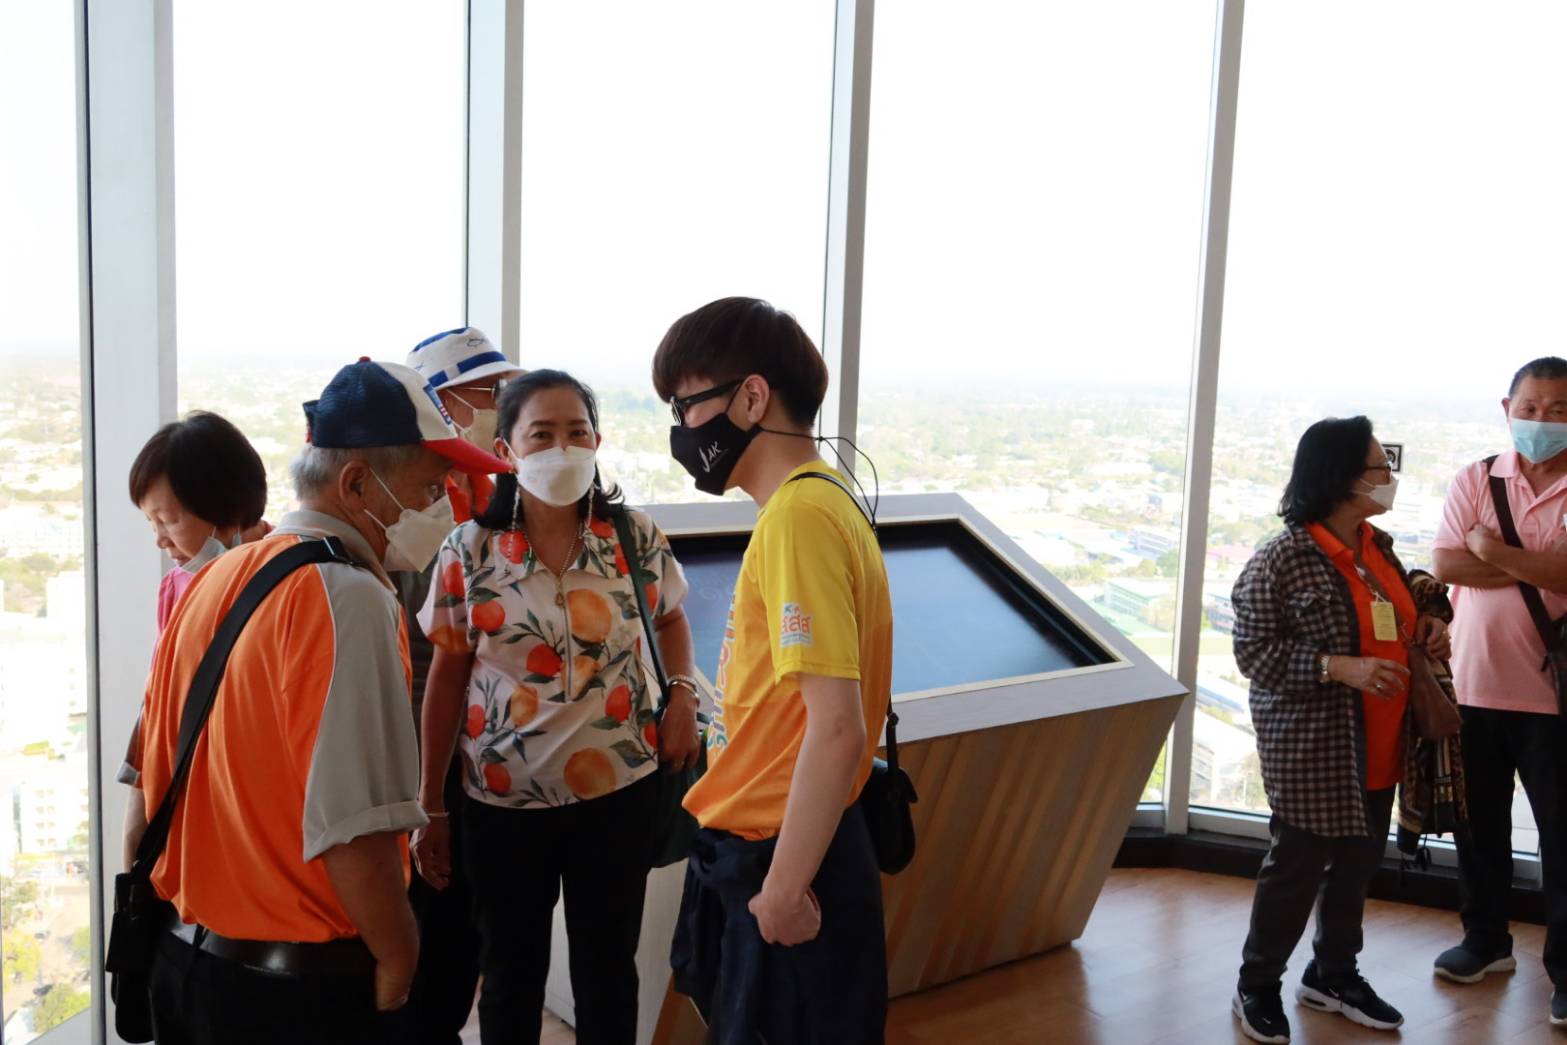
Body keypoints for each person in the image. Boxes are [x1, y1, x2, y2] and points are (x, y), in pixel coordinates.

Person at [127, 358, 509, 1045]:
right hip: (290, 989)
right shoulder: (346, 596)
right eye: (431, 486)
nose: (446, 505)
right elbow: (354, 828)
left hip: (186, 961)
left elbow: (147, 785)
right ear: (356, 483)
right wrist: (400, 954)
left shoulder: (215, 580)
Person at [413, 369, 701, 1045]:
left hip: (619, 791)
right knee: (510, 974)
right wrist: (430, 804)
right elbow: (446, 677)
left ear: (598, 441)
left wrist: (683, 695)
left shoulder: (633, 537)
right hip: (502, 802)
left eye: (577, 431)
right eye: (541, 434)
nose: (561, 447)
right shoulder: (469, 550)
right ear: (506, 450)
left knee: (608, 971)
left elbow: (671, 618)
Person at [653, 296, 893, 1043]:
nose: (682, 428)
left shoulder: (798, 517)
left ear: (752, 398)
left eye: (687, 405)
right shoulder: (822, 501)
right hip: (786, 841)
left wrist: (783, 890)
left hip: (783, 854)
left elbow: (837, 727)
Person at [1229, 416, 1450, 1043]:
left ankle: (1332, 975)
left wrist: (1427, 627)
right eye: (1380, 467)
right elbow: (1254, 654)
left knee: (1356, 867)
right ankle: (1257, 985)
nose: (1389, 477)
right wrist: (1336, 667)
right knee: (1296, 870)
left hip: (1380, 742)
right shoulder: (1281, 559)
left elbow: (1400, 613)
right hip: (1314, 747)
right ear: (1343, 477)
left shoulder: (1377, 547)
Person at [383, 326, 524, 1045]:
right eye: (486, 391)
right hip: (421, 760)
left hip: (478, 762)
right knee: (427, 941)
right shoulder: (413, 511)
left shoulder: (491, 495)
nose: (499, 402)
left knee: (464, 941)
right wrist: (423, 790)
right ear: (438, 401)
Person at [1430, 356, 1567, 1028]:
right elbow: (1444, 562)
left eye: (1558, 410)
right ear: (1507, 408)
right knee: (1477, 825)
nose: (1541, 420)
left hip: (1554, 696)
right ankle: (1484, 942)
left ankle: (1566, 971)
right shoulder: (1476, 477)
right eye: (1530, 407)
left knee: (1562, 839)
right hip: (1473, 683)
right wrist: (1539, 566)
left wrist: (1491, 551)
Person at [120, 411, 272, 869]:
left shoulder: (287, 576)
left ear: (225, 510)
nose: (160, 541)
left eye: (168, 520)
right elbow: (160, 693)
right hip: (182, 772)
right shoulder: (177, 585)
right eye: (151, 523)